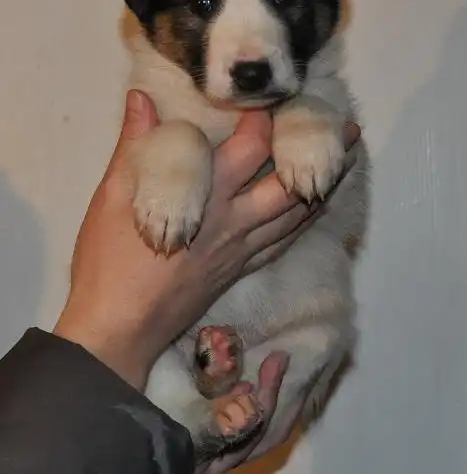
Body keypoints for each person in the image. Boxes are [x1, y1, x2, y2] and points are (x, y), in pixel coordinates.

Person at [0, 90, 361, 473]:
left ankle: (199, 404)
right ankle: (194, 408)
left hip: (269, 345)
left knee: (317, 340)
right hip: (152, 396)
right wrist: (110, 334)